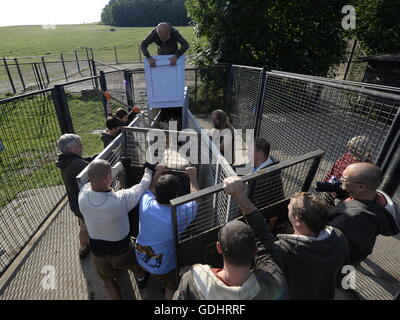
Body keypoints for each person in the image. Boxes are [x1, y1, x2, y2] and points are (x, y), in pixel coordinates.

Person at [174, 176, 288, 300]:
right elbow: (264, 237)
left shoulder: (193, 279)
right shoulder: (274, 281)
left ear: (219, 248)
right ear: (255, 250)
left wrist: (238, 193)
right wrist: (240, 195)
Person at [78, 159, 154, 300]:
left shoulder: (82, 194)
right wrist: (149, 170)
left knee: (107, 282)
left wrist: (118, 166)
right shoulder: (120, 199)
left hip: (98, 253)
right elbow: (141, 187)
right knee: (137, 268)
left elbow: (99, 176)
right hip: (122, 251)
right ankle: (141, 278)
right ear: (108, 178)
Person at [135, 166, 199, 300]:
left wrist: (158, 171)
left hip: (140, 257)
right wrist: (192, 176)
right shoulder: (180, 213)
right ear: (176, 195)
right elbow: (197, 199)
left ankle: (143, 281)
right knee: (172, 285)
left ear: (156, 192)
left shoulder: (145, 203)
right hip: (164, 267)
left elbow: (148, 189)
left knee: (148, 269)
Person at [274, 192, 349, 299]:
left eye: (289, 207)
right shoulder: (338, 235)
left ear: (298, 221)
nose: (288, 207)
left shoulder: (282, 249)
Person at [328, 162, 400, 266]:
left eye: (344, 179)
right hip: (361, 248)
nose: (340, 180)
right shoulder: (376, 198)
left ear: (361, 187)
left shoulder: (352, 217)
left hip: (338, 260)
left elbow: (325, 239)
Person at [56, 134, 96, 259]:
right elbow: (93, 176)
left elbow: (79, 160)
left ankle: (84, 246)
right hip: (84, 206)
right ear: (71, 149)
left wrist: (91, 158)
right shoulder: (78, 165)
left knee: (83, 226)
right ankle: (86, 248)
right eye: (79, 146)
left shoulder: (65, 160)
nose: (82, 147)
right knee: (86, 228)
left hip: (75, 203)